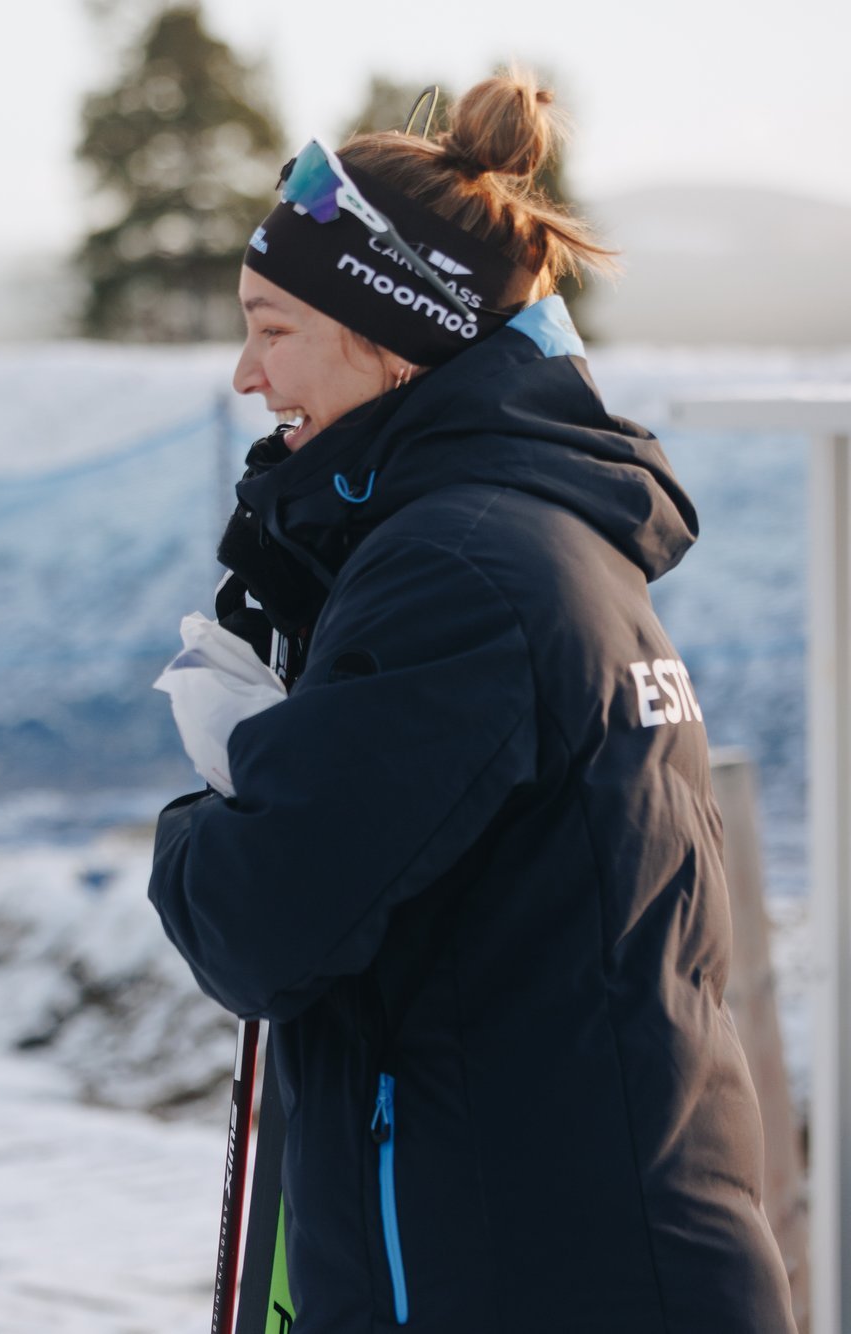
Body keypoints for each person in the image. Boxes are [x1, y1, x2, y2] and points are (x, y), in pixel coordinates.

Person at [146, 71, 796, 1333]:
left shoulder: (459, 572)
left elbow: (261, 922)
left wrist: (213, 796)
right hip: (570, 1254)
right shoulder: (530, 540)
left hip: (532, 1277)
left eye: (272, 327)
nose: (243, 371)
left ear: (391, 335)